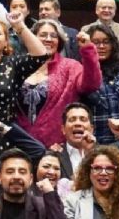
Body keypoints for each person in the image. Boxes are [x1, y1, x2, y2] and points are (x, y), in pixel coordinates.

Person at [14, 19, 100, 147]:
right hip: (18, 143)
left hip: (56, 147)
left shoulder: (70, 67)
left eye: (53, 36)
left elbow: (91, 84)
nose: (48, 39)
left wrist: (88, 50)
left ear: (59, 41)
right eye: (43, 35)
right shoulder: (18, 65)